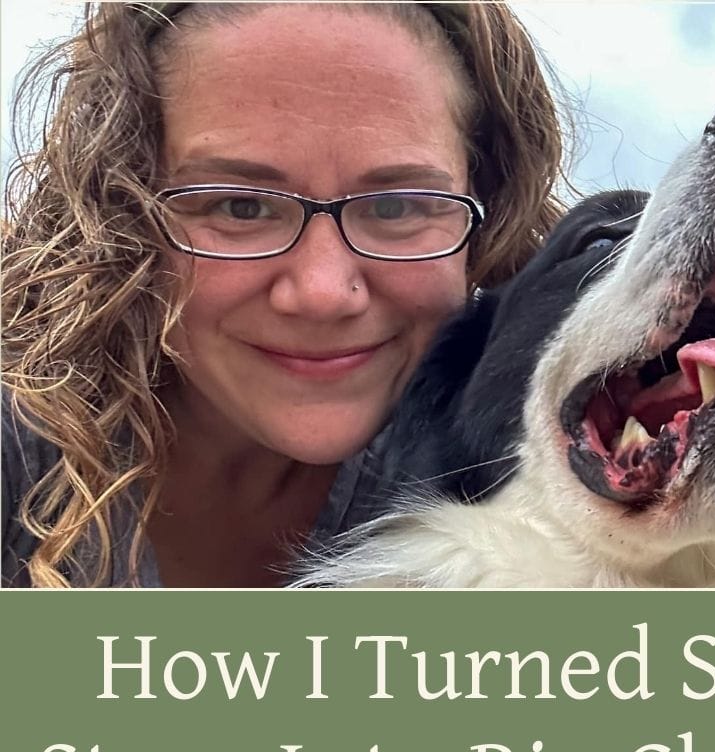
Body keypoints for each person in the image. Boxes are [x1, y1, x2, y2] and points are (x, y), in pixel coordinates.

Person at [2, 1, 566, 587]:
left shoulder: (546, 475)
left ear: (488, 218)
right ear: (121, 212)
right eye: (240, 206)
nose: (323, 293)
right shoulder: (19, 440)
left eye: (396, 207)